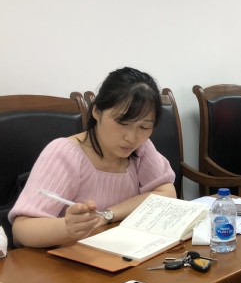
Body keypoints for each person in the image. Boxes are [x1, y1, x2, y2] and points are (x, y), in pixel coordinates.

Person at [9, 67, 176, 248]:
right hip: (70, 258)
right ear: (97, 111)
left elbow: (166, 193)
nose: (132, 137)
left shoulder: (140, 148)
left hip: (125, 252)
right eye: (122, 123)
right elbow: (21, 230)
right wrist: (66, 228)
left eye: (144, 127)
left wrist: (107, 215)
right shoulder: (65, 153)